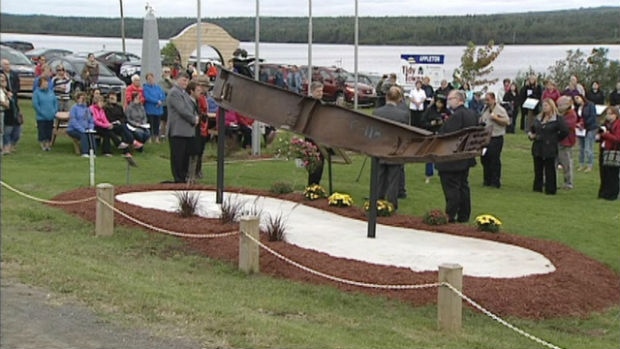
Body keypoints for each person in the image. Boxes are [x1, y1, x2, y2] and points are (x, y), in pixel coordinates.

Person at [435, 90, 479, 223]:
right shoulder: (471, 113)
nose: (448, 102)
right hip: (465, 157)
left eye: (450, 99)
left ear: (459, 99)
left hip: (453, 158)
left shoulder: (457, 116)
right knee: (463, 186)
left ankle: (451, 214)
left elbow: (445, 134)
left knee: (452, 186)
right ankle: (464, 215)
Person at [372, 86, 410, 210]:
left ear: (386, 97)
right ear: (399, 99)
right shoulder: (403, 115)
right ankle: (391, 204)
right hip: (395, 149)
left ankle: (377, 203)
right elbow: (405, 134)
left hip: (379, 148)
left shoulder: (377, 112)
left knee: (379, 178)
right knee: (393, 180)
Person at [528, 98, 569, 195]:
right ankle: (537, 187)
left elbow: (565, 131)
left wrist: (555, 139)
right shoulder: (539, 117)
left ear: (551, 106)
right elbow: (533, 128)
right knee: (538, 168)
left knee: (549, 168)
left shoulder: (557, 119)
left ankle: (550, 189)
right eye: (543, 105)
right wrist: (531, 135)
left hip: (549, 146)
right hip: (538, 145)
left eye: (546, 105)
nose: (544, 107)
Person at [167, 72, 199, 183]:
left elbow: (192, 107)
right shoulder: (174, 93)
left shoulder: (185, 93)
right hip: (178, 130)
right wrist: (193, 119)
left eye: (187, 80)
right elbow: (182, 110)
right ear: (177, 80)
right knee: (178, 157)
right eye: (183, 80)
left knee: (185, 157)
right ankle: (178, 179)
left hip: (187, 131)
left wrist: (196, 116)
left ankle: (184, 177)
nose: (185, 83)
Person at [479, 92, 510, 188]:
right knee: (485, 158)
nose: (486, 102)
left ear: (493, 99)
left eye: (488, 100)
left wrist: (496, 118)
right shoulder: (485, 109)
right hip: (485, 137)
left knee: (494, 159)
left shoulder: (500, 109)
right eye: (485, 100)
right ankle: (487, 180)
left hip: (496, 137)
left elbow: (507, 122)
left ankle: (495, 181)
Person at [420, 94, 450, 184]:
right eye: (437, 102)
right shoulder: (430, 110)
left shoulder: (447, 111)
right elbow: (422, 122)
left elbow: (451, 121)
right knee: (430, 155)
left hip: (442, 135)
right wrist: (431, 123)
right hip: (431, 135)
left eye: (441, 103)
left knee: (442, 155)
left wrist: (444, 122)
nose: (439, 104)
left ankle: (442, 173)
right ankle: (428, 175)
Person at [597, 106, 620, 200]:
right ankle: (604, 192)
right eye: (607, 114)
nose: (608, 116)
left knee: (612, 173)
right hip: (604, 149)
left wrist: (605, 134)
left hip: (614, 150)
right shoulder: (606, 124)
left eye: (611, 114)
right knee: (604, 172)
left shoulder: (618, 125)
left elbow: (617, 139)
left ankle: (612, 194)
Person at [556, 96, 578, 190]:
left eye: (561, 105)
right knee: (553, 163)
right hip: (556, 141)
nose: (559, 106)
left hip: (566, 143)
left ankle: (568, 183)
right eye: (558, 105)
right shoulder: (558, 114)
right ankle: (552, 181)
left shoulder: (572, 114)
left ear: (568, 105)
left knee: (566, 164)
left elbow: (566, 125)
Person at [306, 81, 325, 186]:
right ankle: (312, 186)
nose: (320, 93)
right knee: (313, 165)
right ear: (312, 91)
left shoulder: (323, 105)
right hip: (311, 138)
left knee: (321, 164)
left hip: (321, 138)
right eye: (318, 91)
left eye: (321, 91)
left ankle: (316, 185)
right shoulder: (309, 104)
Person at [32, 76, 58, 151]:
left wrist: (54, 111)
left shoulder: (51, 92)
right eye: (44, 83)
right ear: (40, 84)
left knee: (49, 131)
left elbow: (55, 102)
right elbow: (36, 105)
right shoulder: (37, 93)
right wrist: (42, 113)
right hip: (41, 117)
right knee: (42, 130)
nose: (46, 84)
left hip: (51, 116)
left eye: (47, 83)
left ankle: (48, 144)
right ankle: (43, 144)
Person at [574, 94, 599, 173]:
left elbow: (593, 116)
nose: (577, 100)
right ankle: (581, 164)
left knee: (588, 148)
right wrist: (578, 124)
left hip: (590, 128)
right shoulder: (578, 107)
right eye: (575, 99)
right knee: (581, 148)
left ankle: (589, 165)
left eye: (578, 98)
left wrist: (584, 124)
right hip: (581, 129)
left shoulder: (590, 105)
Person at [66, 92, 96, 157]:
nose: (83, 100)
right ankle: (85, 152)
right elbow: (73, 121)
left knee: (91, 134)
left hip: (86, 128)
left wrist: (91, 128)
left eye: (84, 98)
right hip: (73, 129)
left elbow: (91, 120)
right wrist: (81, 129)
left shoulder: (87, 109)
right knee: (83, 134)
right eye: (81, 98)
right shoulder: (74, 108)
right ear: (77, 99)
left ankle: (93, 152)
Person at [1, 72, 21, 155]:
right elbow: (5, 104)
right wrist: (6, 98)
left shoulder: (9, 91)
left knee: (17, 132)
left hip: (14, 113)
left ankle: (11, 146)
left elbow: (15, 102)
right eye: (1, 81)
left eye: (4, 80)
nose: (3, 82)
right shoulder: (2, 92)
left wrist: (19, 112)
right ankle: (6, 148)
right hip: (6, 114)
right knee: (7, 132)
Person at [143, 72, 165, 143]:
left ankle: (156, 137)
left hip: (158, 109)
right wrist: (156, 101)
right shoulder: (145, 88)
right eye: (149, 79)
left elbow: (162, 95)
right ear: (146, 80)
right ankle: (149, 137)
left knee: (157, 124)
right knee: (150, 123)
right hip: (150, 108)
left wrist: (160, 101)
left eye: (151, 78)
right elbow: (147, 97)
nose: (150, 80)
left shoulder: (158, 87)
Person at [158, 67, 175, 142]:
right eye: (165, 72)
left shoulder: (172, 81)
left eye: (168, 72)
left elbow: (176, 88)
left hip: (171, 104)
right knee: (163, 121)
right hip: (164, 103)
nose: (167, 73)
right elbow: (163, 90)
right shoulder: (160, 82)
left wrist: (169, 81)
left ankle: (168, 135)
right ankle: (162, 134)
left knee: (170, 120)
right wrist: (170, 91)